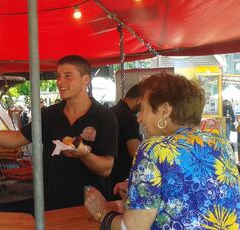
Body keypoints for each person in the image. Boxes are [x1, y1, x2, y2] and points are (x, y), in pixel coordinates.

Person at [85, 73, 240, 229]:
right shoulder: (221, 144)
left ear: (165, 111)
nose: (139, 118)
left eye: (143, 109)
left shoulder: (154, 149)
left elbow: (132, 228)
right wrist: (140, 191)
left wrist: (102, 212)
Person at [0, 55, 117, 210]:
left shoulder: (104, 117)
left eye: (68, 76)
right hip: (52, 202)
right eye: (58, 76)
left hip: (90, 206)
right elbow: (17, 138)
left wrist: (84, 154)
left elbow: (106, 168)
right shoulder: (49, 114)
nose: (60, 82)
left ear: (85, 80)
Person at [108, 84, 143, 200]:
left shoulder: (111, 111)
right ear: (139, 99)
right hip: (121, 175)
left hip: (109, 172)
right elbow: (134, 151)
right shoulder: (129, 117)